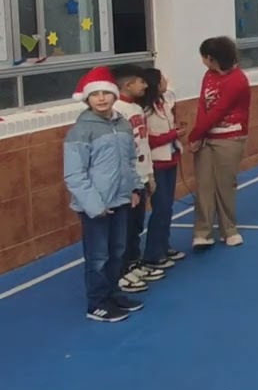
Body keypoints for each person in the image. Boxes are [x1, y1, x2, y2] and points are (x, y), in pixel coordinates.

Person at [63, 67, 145, 322]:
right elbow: (74, 175)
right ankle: (97, 303)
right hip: (96, 207)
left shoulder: (121, 124)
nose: (101, 98)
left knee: (117, 251)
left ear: (114, 95)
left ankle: (113, 293)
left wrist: (132, 188)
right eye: (95, 94)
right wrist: (94, 205)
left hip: (121, 200)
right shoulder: (80, 131)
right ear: (87, 99)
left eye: (105, 93)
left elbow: (129, 160)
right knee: (98, 256)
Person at [188, 36, 251, 251]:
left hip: (230, 138)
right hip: (207, 136)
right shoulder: (208, 76)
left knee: (225, 184)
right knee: (204, 185)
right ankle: (202, 232)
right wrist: (198, 136)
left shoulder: (238, 79)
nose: (203, 62)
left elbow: (219, 110)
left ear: (213, 58)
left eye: (204, 58)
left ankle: (229, 229)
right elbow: (203, 106)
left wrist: (195, 135)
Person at [111, 65, 162, 293]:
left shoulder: (136, 108)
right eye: (141, 82)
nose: (145, 85)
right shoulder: (117, 110)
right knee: (125, 228)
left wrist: (149, 174)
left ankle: (133, 263)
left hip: (142, 175)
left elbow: (144, 145)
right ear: (127, 84)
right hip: (128, 180)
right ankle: (121, 270)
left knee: (136, 225)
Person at [139, 68, 185, 271]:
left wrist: (176, 132)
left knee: (168, 207)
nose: (167, 80)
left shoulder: (164, 103)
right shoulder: (144, 111)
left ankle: (164, 246)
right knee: (160, 208)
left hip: (170, 159)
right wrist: (172, 135)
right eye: (163, 79)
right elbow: (148, 140)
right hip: (156, 163)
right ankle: (152, 253)